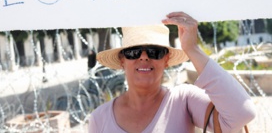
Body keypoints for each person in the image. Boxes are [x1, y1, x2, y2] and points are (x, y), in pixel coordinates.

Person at [88, 11, 256, 133]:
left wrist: (192, 48)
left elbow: (242, 113)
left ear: (166, 60)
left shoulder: (184, 100)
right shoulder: (99, 118)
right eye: (134, 51)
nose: (144, 57)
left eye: (155, 51)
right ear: (122, 60)